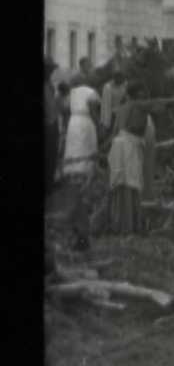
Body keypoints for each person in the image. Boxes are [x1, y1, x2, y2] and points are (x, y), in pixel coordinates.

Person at [57, 73, 103, 253]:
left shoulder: (72, 93)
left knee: (75, 149)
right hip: (85, 123)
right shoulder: (90, 91)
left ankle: (74, 173)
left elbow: (64, 109)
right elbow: (93, 110)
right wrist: (98, 125)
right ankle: (84, 174)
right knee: (86, 150)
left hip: (73, 123)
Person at [106, 105, 147, 234]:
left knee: (127, 186)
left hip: (125, 146)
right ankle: (127, 225)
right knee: (127, 186)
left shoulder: (128, 110)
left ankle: (125, 224)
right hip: (126, 147)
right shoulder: (135, 110)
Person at [43, 57, 63, 197]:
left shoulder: (49, 83)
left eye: (52, 69)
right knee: (47, 155)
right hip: (47, 124)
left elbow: (52, 103)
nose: (51, 71)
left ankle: (49, 184)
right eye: (49, 69)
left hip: (53, 123)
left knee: (52, 154)